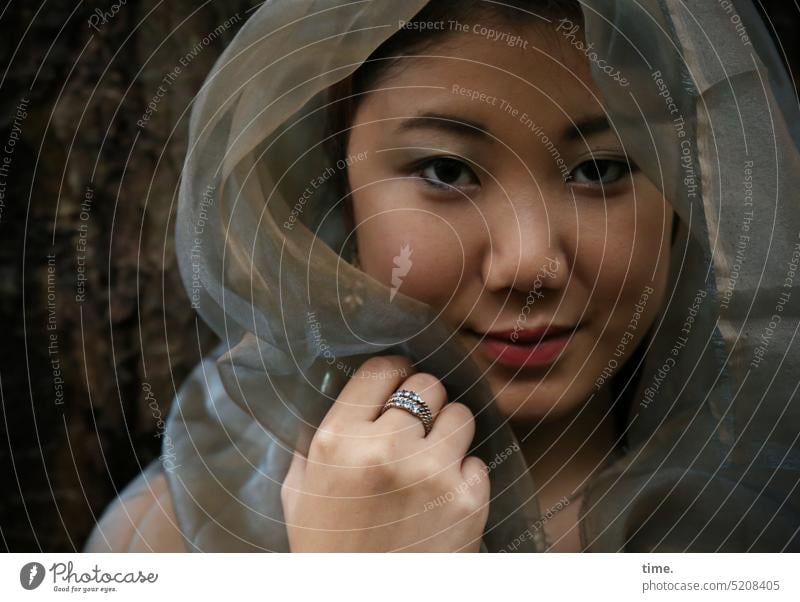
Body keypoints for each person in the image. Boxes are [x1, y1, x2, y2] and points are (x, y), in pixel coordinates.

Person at [85, 0, 800, 553]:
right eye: (446, 171)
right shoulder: (176, 537)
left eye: (600, 171)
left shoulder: (773, 503)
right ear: (342, 179)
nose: (527, 265)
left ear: (690, 189)